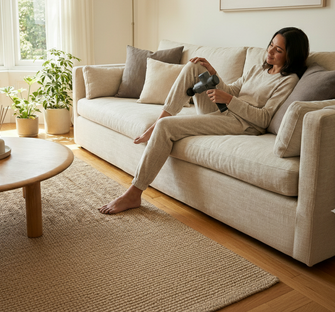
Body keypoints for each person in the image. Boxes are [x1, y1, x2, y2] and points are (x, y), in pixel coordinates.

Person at [99, 27, 309, 215]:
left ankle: (134, 193)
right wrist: (212, 73)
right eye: (271, 45)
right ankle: (162, 117)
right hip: (226, 108)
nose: (270, 52)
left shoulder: (288, 80)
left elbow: (264, 118)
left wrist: (230, 101)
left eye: (278, 50)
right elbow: (233, 90)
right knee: (194, 67)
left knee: (165, 128)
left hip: (244, 124)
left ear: (292, 55)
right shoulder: (259, 69)